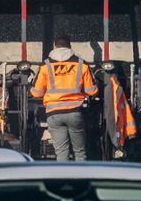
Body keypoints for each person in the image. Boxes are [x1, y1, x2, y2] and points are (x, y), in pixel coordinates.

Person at [31, 33, 98, 161]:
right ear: (70, 46)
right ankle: (81, 174)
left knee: (61, 153)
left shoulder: (45, 65)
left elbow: (37, 93)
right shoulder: (81, 64)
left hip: (54, 114)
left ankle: (63, 173)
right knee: (80, 152)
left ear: (55, 46)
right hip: (75, 113)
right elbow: (92, 91)